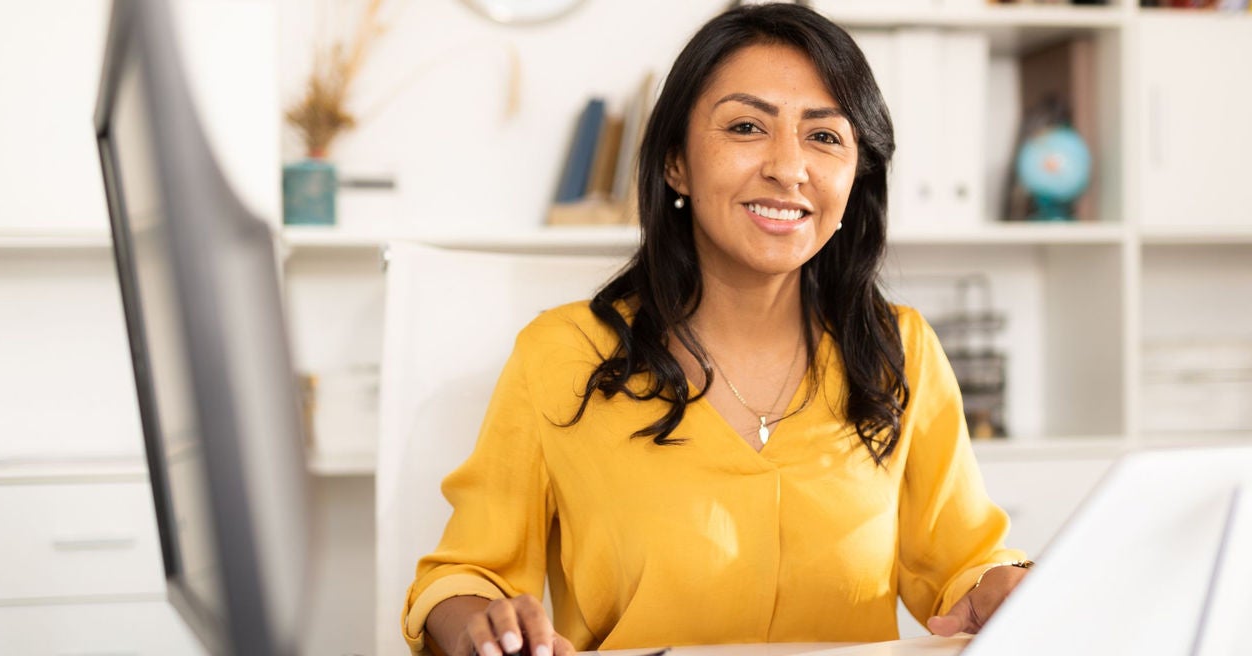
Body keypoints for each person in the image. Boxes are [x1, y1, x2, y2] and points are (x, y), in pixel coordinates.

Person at [402, 4, 1029, 655]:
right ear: (675, 162)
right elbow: (464, 575)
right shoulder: (560, 356)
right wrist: (486, 628)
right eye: (747, 126)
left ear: (856, 175)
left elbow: (962, 566)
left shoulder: (900, 351)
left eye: (824, 137)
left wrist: (995, 586)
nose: (789, 168)